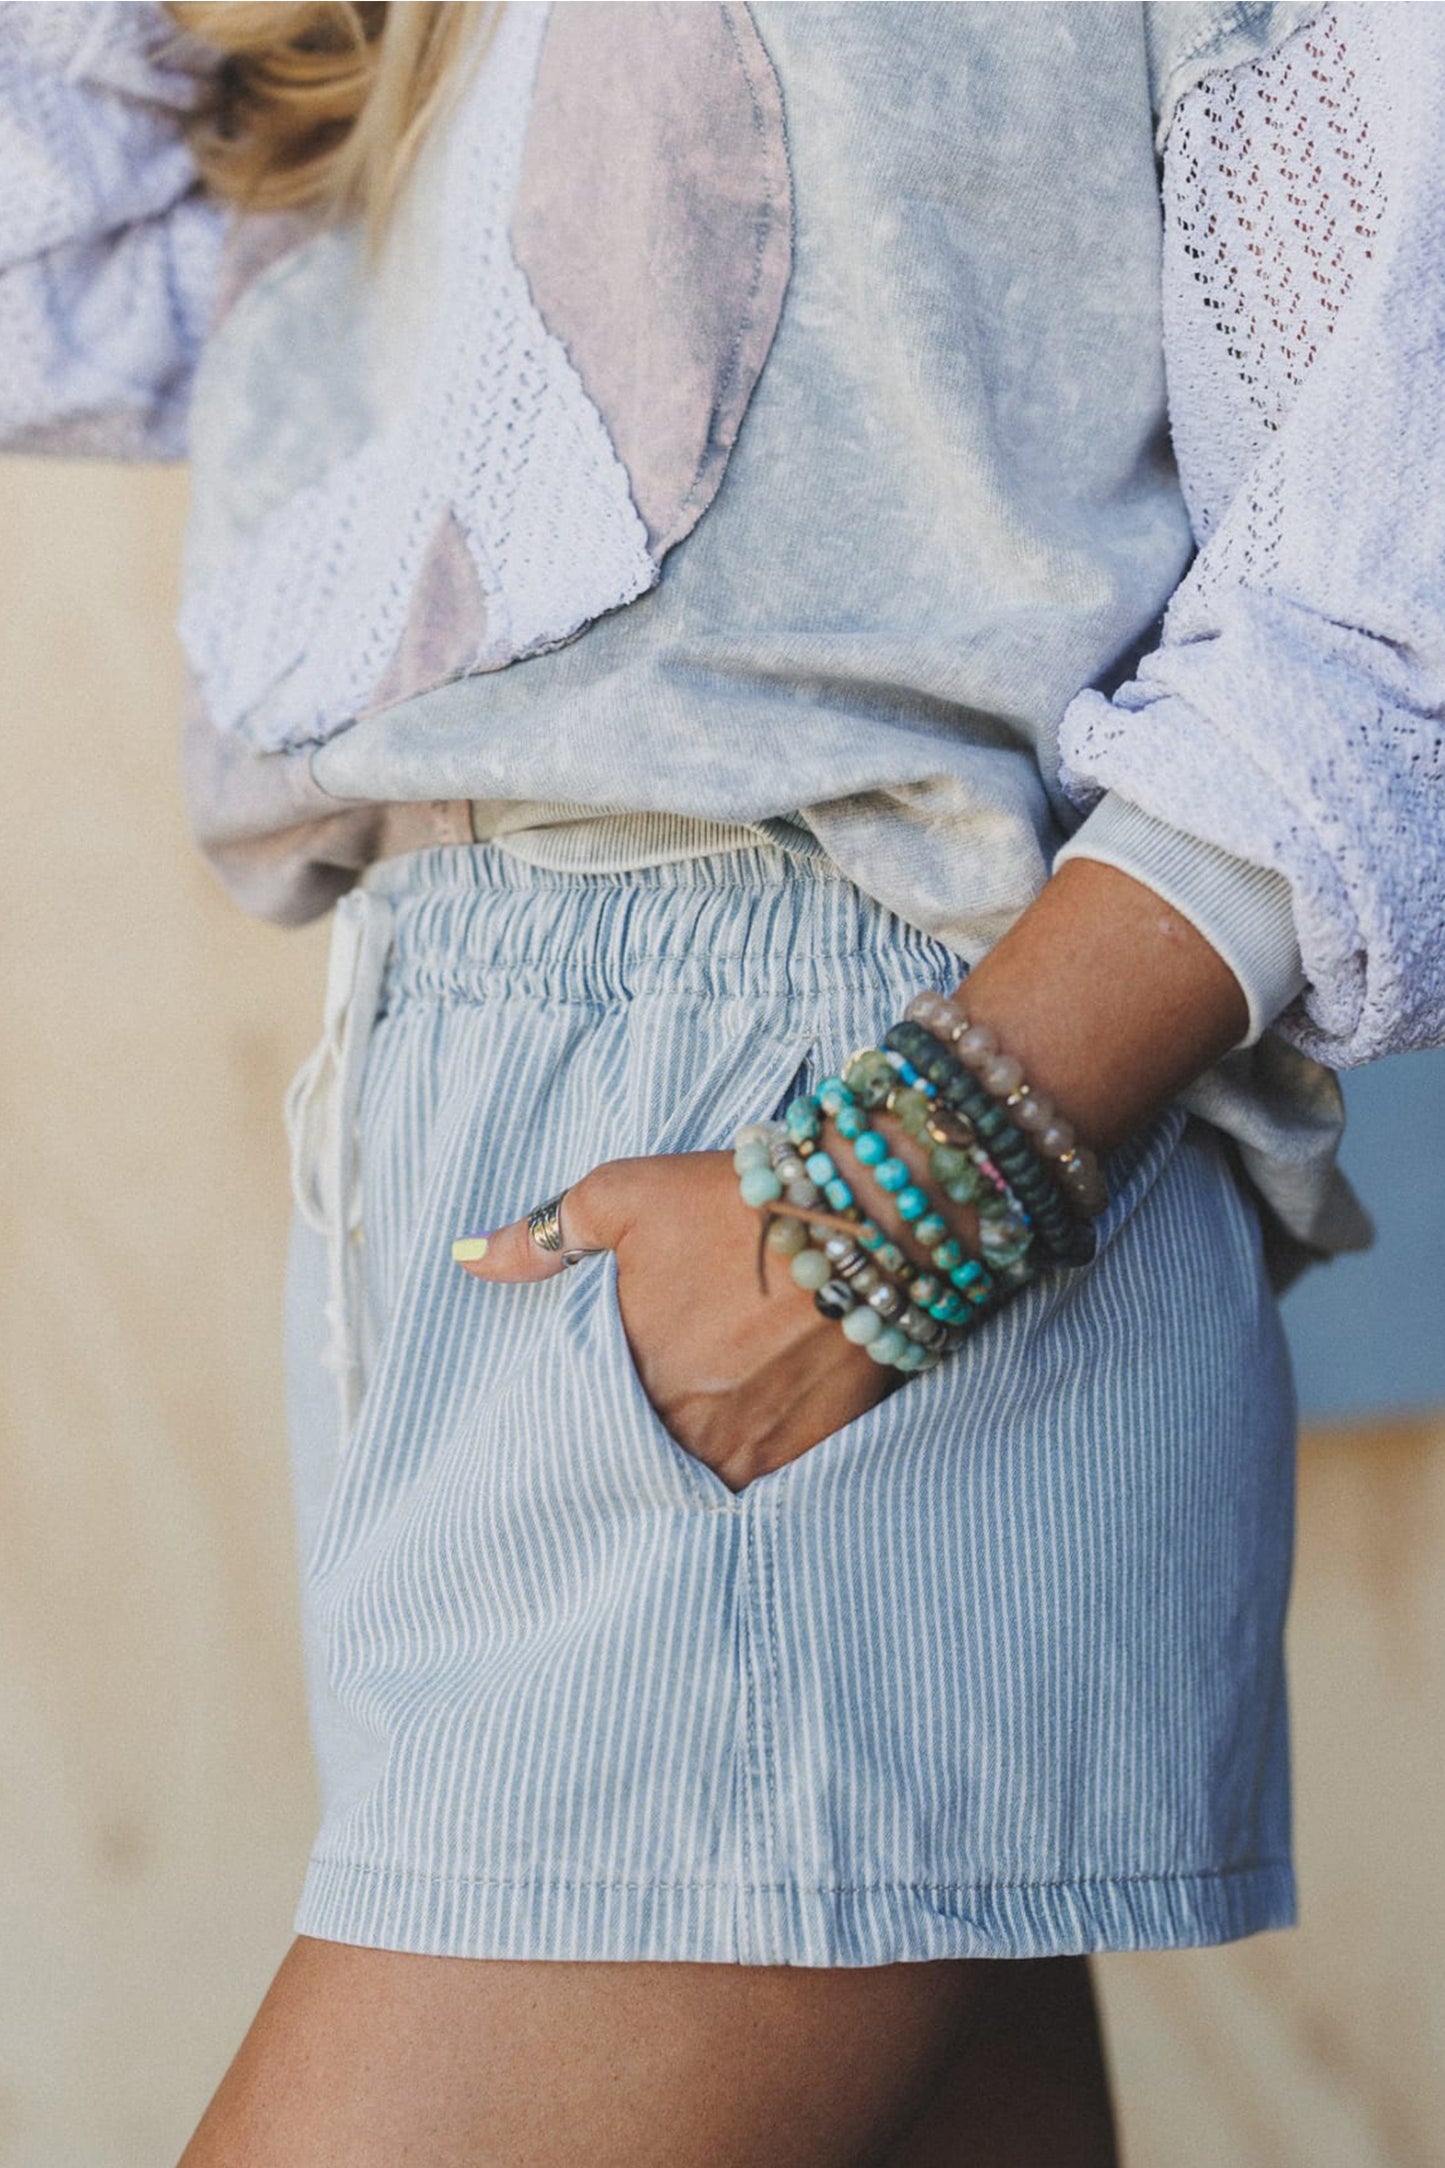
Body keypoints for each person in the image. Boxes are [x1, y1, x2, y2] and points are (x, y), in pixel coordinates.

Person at [3, 1, 1438, 2159]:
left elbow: (1397, 525)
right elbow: (53, 261)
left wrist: (893, 1194)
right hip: (481, 1158)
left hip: (849, 1137)